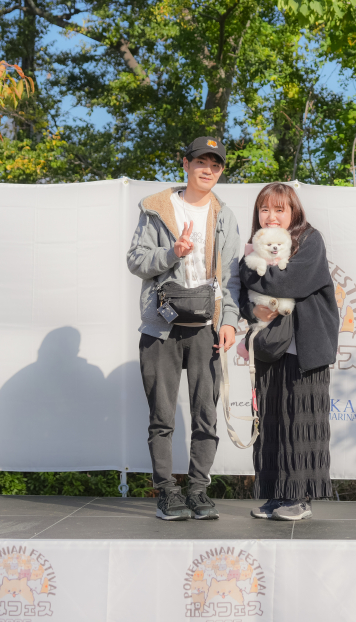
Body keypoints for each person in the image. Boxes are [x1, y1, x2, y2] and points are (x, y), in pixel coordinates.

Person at [126, 137, 241, 521]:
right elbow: (136, 260)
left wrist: (229, 321)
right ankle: (166, 492)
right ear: (186, 164)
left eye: (216, 165)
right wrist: (171, 253)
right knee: (162, 416)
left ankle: (197, 490)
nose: (208, 170)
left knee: (205, 414)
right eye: (201, 162)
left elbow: (232, 278)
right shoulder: (156, 208)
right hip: (161, 326)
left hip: (207, 326)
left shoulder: (224, 216)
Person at [239, 183, 340, 521]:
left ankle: (299, 498)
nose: (271, 216)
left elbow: (288, 283)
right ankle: (275, 496)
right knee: (270, 423)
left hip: (305, 347)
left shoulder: (309, 240)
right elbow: (243, 296)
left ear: (293, 212)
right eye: (265, 209)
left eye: (279, 209)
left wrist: (249, 273)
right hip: (271, 347)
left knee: (301, 421)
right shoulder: (254, 244)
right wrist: (252, 306)